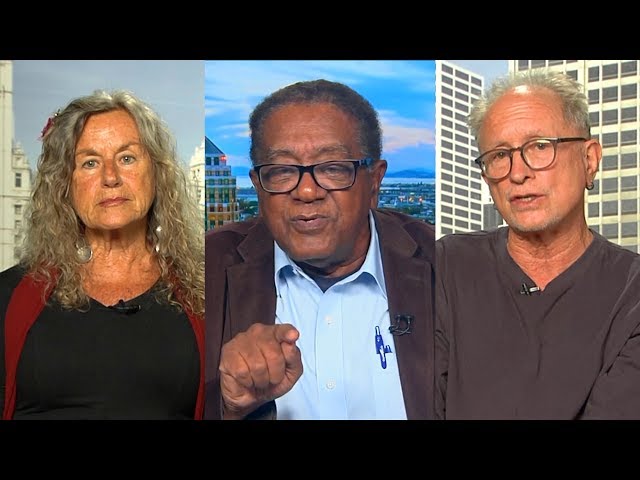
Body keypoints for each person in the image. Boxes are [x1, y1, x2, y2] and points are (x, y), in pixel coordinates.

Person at [205, 79, 436, 420]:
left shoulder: (443, 264)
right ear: (258, 186)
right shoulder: (207, 266)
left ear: (374, 181)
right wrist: (230, 407)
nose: (307, 192)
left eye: (332, 168)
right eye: (282, 171)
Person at [435, 70, 640, 419]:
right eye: (499, 155)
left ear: (589, 160)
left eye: (540, 146)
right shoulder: (445, 267)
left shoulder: (631, 293)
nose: (518, 173)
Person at [0, 90, 205, 419]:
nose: (110, 178)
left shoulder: (203, 295)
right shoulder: (10, 297)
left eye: (127, 158)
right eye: (90, 163)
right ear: (65, 184)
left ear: (157, 172)